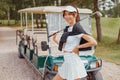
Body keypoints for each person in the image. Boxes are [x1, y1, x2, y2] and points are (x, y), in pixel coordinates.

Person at [52, 6, 97, 80]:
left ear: (75, 15)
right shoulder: (68, 28)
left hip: (73, 61)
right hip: (67, 61)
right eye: (65, 14)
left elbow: (93, 42)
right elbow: (65, 47)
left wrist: (77, 47)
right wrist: (54, 39)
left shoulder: (77, 28)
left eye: (69, 14)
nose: (66, 16)